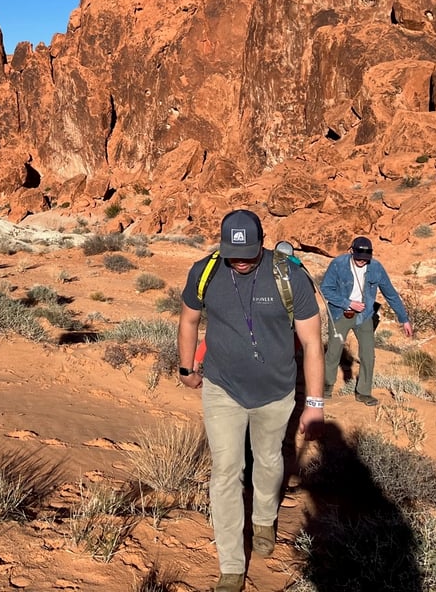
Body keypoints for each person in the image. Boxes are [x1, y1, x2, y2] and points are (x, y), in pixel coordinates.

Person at [177, 209, 325, 592]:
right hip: (222, 388)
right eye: (231, 252)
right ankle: (230, 564)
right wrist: (185, 368)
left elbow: (311, 343)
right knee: (225, 471)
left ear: (262, 242)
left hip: (275, 393)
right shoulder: (205, 271)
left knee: (270, 458)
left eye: (247, 251)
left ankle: (262, 518)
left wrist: (314, 404)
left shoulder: (288, 275)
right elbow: (189, 320)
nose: (239, 260)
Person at [321, 236, 413, 406]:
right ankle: (326, 386)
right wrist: (348, 303)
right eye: (359, 257)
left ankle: (363, 392)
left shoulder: (376, 268)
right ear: (352, 252)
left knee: (368, 354)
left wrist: (404, 319)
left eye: (366, 258)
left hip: (365, 315)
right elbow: (325, 289)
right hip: (341, 313)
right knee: (334, 350)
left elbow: (390, 294)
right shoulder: (339, 264)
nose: (362, 261)